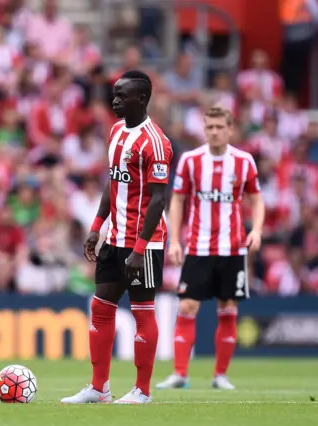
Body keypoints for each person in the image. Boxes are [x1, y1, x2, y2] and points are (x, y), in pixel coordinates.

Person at [61, 70, 173, 404]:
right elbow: (114, 183)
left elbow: (159, 200)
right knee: (100, 307)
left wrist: (140, 249)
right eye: (114, 94)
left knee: (142, 312)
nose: (114, 101)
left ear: (141, 99)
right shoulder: (114, 132)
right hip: (114, 236)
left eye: (121, 96)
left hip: (144, 242)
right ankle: (99, 388)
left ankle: (142, 390)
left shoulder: (156, 142)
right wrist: (97, 226)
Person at [155, 106, 264, 390]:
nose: (214, 132)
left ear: (230, 129)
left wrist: (258, 230)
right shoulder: (191, 161)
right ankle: (180, 373)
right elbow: (177, 200)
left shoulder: (244, 162)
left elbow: (256, 198)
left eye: (219, 127)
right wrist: (175, 240)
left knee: (228, 307)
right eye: (209, 127)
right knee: (187, 305)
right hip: (198, 247)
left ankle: (220, 375)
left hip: (233, 248)